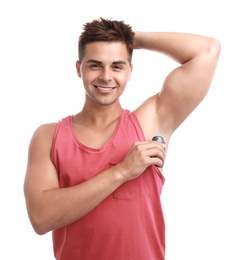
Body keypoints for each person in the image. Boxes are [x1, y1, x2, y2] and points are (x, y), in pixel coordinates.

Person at [24, 17, 220, 259]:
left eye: (117, 66)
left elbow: (207, 51)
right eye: (95, 65)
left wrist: (127, 39)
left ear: (130, 71)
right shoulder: (48, 136)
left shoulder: (150, 123)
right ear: (79, 69)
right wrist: (123, 171)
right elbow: (41, 218)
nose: (106, 76)